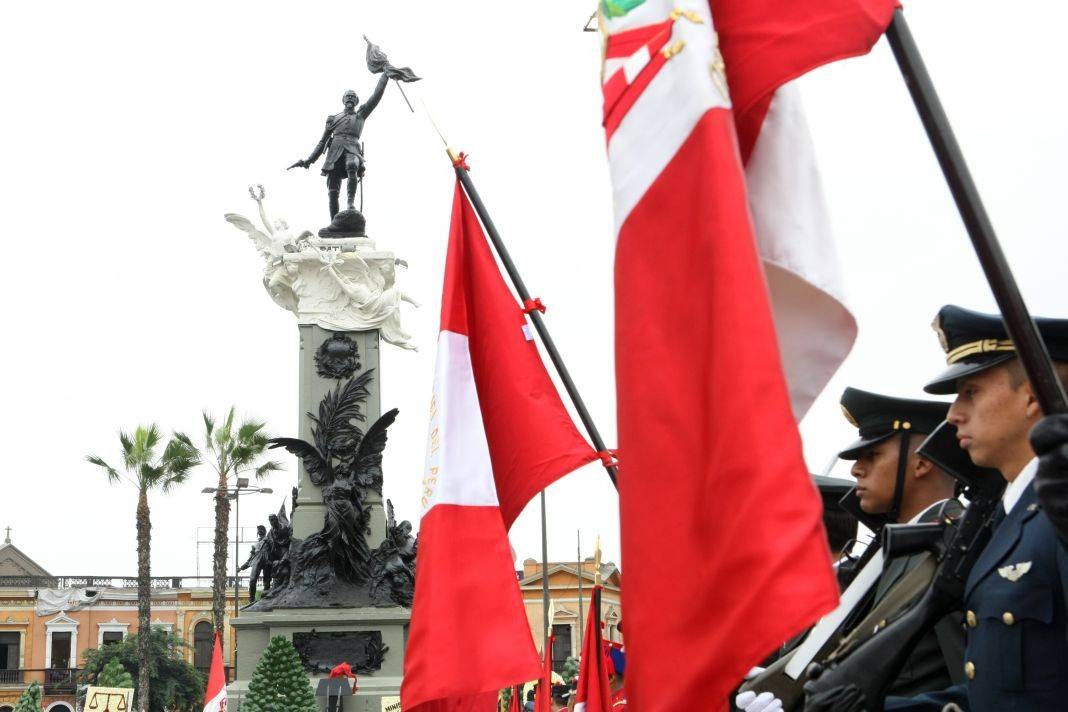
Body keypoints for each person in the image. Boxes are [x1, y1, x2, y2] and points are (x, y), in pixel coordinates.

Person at [883, 305, 1068, 711]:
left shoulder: (1057, 513)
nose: (952, 415)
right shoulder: (1007, 519)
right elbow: (997, 691)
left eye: (971, 392)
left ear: (1032, 395)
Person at [738, 388, 965, 711]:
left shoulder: (953, 546)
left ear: (922, 463)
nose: (856, 469)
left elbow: (971, 683)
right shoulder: (892, 551)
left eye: (872, 455)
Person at [290, 76, 390, 218]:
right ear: (343, 100)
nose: (350, 98)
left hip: (352, 149)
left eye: (353, 96)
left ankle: (350, 204)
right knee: (333, 190)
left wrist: (385, 76)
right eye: (347, 96)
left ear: (356, 101)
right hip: (334, 153)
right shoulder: (333, 119)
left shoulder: (361, 115)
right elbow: (322, 141)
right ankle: (334, 221)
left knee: (352, 164)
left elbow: (376, 95)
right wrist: (309, 160)